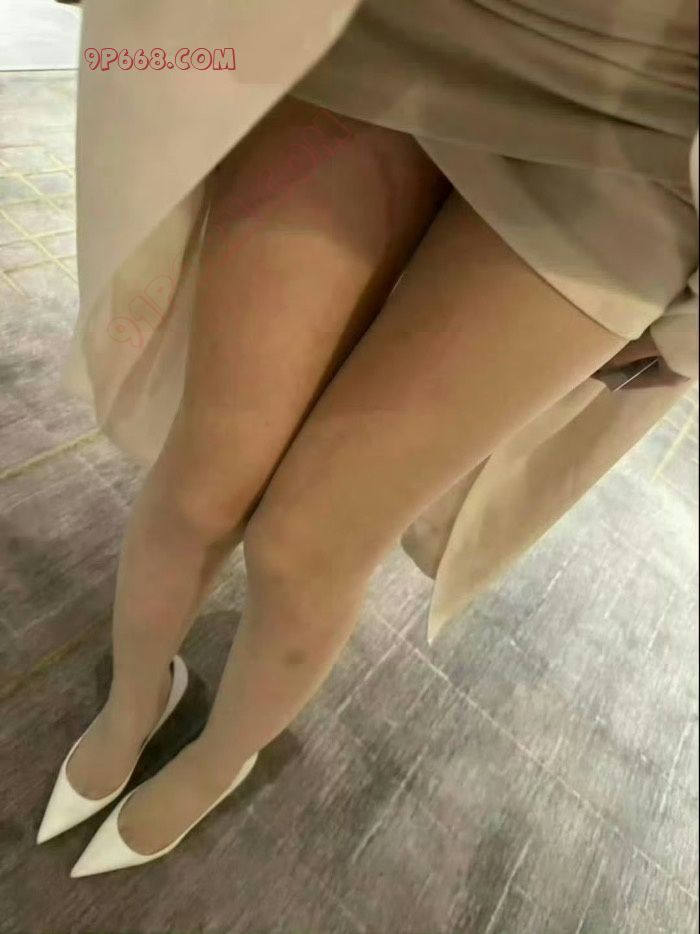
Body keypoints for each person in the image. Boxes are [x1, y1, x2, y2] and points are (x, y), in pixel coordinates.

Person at [37, 0, 698, 876]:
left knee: (307, 544)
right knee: (205, 478)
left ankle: (220, 760)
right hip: (397, 31)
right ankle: (134, 700)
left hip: (648, 133)